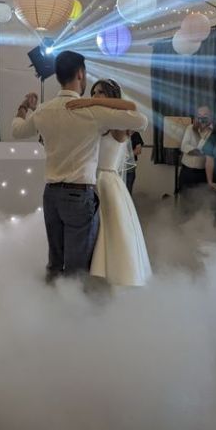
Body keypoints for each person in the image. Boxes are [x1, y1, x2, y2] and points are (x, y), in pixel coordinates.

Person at [11, 51, 147, 283]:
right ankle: (75, 313)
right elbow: (140, 120)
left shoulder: (44, 110)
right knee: (77, 267)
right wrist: (96, 101)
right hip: (78, 194)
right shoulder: (90, 111)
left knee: (55, 262)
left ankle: (52, 306)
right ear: (81, 75)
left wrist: (24, 107)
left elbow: (17, 131)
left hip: (51, 195)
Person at [66, 79, 151, 286]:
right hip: (89, 178)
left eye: (101, 92)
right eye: (93, 92)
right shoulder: (96, 119)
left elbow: (132, 108)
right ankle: (89, 274)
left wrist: (88, 102)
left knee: (111, 230)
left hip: (106, 180)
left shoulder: (118, 121)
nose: (95, 96)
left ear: (112, 96)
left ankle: (112, 275)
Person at [179, 106, 212, 192]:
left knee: (200, 201)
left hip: (203, 173)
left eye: (205, 115)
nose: (202, 118)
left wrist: (195, 150)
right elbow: (184, 146)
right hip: (186, 172)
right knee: (184, 200)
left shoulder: (213, 133)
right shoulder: (190, 128)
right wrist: (201, 152)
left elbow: (208, 151)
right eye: (199, 115)